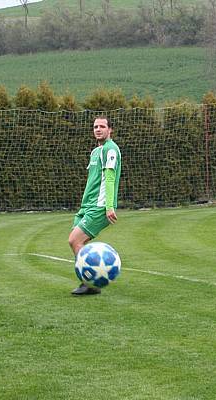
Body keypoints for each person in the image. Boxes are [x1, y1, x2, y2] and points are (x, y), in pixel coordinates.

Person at [69, 116, 122, 295]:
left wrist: (108, 206)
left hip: (99, 206)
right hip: (86, 206)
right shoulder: (95, 152)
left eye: (102, 126)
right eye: (95, 127)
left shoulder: (111, 149)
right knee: (77, 243)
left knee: (74, 240)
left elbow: (109, 178)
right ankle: (91, 280)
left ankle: (90, 283)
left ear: (110, 130)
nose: (98, 129)